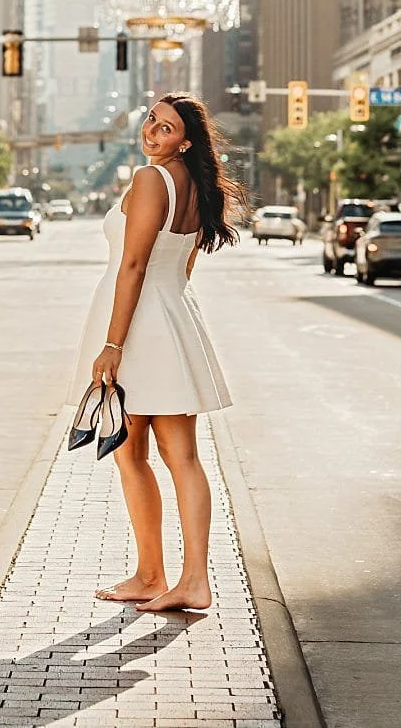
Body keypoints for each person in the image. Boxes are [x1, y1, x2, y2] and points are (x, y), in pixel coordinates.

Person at [76, 92, 240, 612]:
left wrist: (112, 344)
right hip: (169, 320)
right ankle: (165, 576)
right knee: (178, 458)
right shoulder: (196, 187)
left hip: (138, 326)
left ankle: (168, 577)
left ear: (186, 141)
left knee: (134, 455)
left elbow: (133, 266)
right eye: (151, 119)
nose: (152, 131)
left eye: (166, 128)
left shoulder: (151, 180)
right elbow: (182, 267)